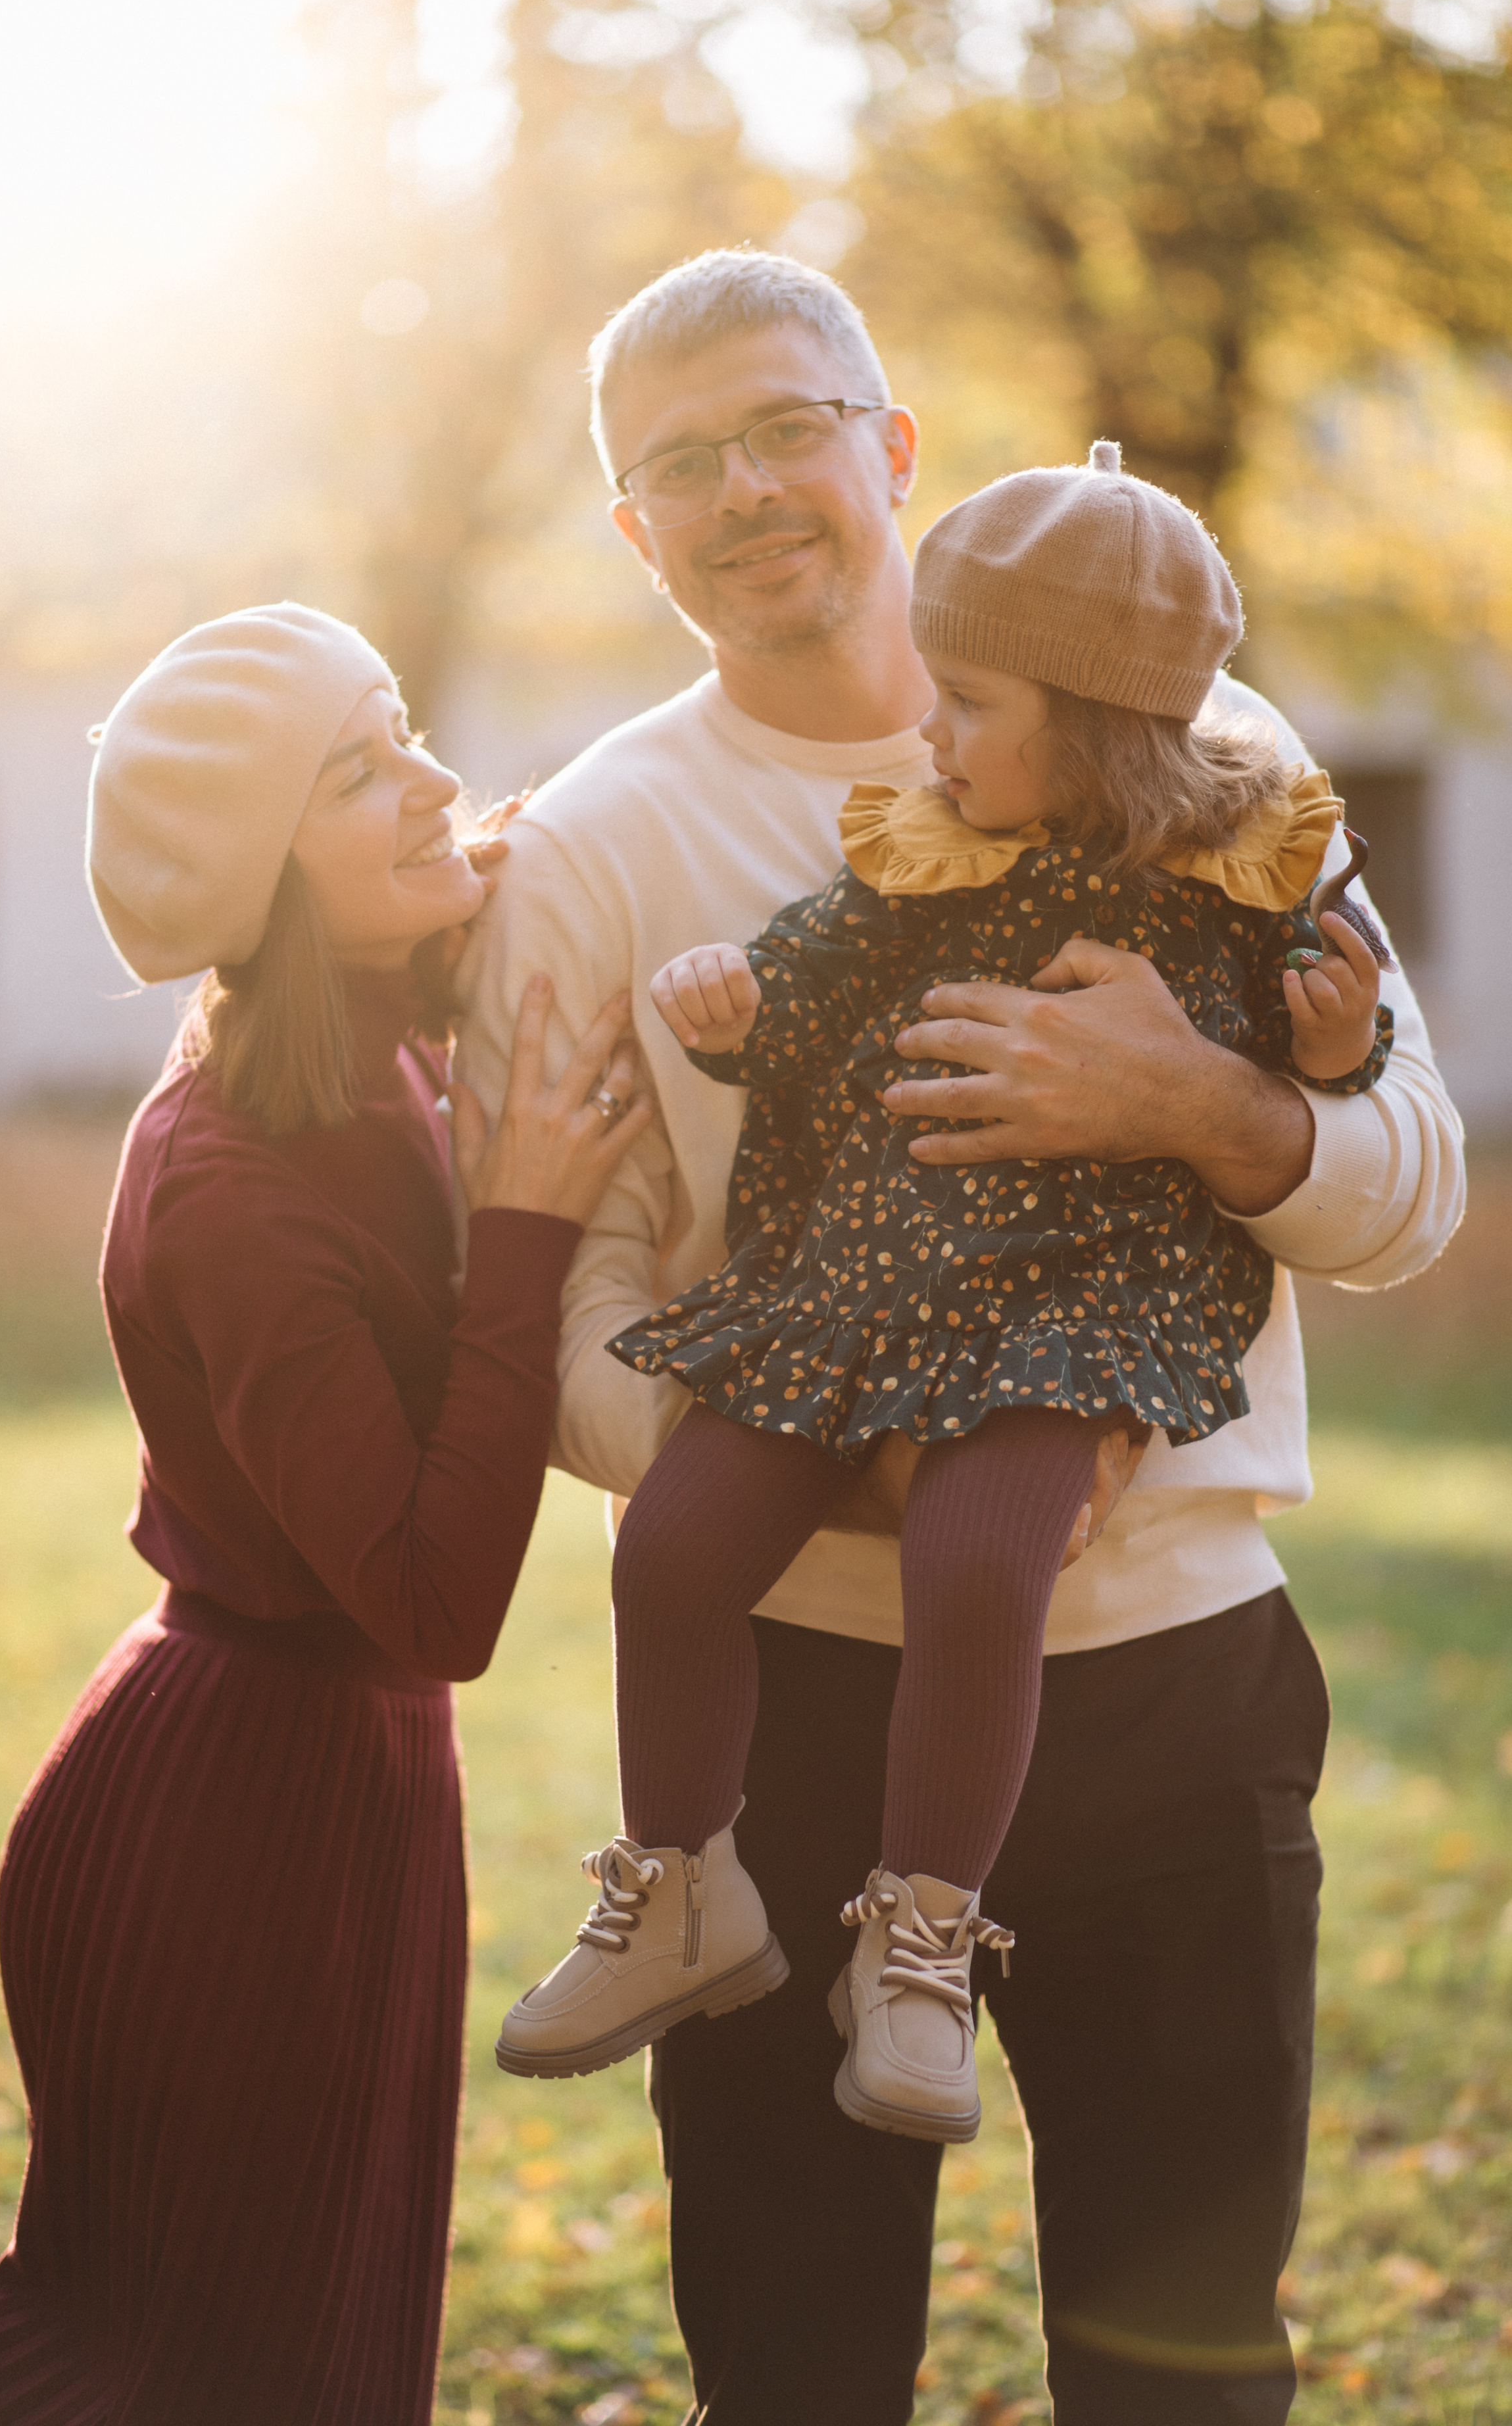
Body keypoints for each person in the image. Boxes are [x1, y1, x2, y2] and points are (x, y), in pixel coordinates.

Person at [454, 253, 1465, 2425]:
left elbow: (1418, 1183)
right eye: (679, 463)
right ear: (637, 534)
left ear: (892, 444)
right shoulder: (601, 850)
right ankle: (685, 1897)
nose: (746, 489)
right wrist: (840, 1443)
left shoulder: (1218, 756)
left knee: (1183, 2370)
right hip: (797, 1711)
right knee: (796, 2370)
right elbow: (561, 1312)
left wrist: (1210, 1111)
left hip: (1186, 1686)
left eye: (787, 425)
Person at [496, 442, 1394, 2150]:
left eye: (968, 699)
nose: (930, 728)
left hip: (1068, 1307)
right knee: (672, 1546)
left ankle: (919, 1940)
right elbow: (814, 962)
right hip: (857, 1280)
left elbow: (1349, 1061)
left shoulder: (1242, 860)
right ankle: (683, 1884)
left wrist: (1326, 1050)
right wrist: (735, 999)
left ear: (1090, 718)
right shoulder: (923, 843)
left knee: (980, 1563)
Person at [0, 603, 648, 2426]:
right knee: (152, 2390)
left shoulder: (385, 1033)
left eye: (407, 726)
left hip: (352, 1799)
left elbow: (588, 841)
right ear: (259, 875)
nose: (434, 779)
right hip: (229, 1829)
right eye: (359, 771)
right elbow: (440, 1605)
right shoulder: (235, 1182)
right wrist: (522, 1228)